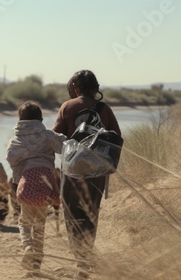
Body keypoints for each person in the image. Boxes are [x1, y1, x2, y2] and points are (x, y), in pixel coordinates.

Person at [52, 70, 121, 279]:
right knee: (91, 213)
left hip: (72, 171)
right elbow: (117, 137)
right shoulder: (105, 109)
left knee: (72, 214)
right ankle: (86, 259)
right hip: (97, 172)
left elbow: (56, 137)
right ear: (95, 88)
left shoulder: (67, 107)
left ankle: (79, 259)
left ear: (75, 87)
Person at [6, 101, 66, 271]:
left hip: (27, 183)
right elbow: (64, 147)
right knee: (40, 224)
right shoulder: (47, 136)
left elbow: (12, 159)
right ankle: (36, 264)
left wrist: (18, 182)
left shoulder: (16, 139)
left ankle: (27, 247)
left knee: (24, 221)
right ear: (40, 119)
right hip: (46, 185)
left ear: (20, 119)